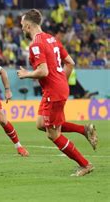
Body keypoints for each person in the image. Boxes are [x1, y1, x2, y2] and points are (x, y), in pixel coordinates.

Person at [17, 9, 97, 177]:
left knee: (52, 134)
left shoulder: (36, 45)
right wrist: (61, 82)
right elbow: (70, 62)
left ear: (28, 25)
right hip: (56, 88)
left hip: (53, 90)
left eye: (22, 26)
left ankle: (85, 165)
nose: (22, 29)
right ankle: (84, 130)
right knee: (41, 124)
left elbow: (43, 71)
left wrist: (27, 74)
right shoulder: (51, 39)